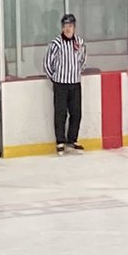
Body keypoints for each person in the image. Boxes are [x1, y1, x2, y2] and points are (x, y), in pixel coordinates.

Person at [43, 14, 86, 155]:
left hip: (75, 83)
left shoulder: (79, 42)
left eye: (70, 26)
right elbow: (47, 63)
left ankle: (72, 140)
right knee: (60, 113)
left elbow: (83, 60)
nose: (68, 29)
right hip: (60, 84)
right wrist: (55, 78)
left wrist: (76, 73)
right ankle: (60, 141)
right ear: (62, 28)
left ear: (74, 27)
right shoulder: (56, 43)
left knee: (76, 113)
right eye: (66, 26)